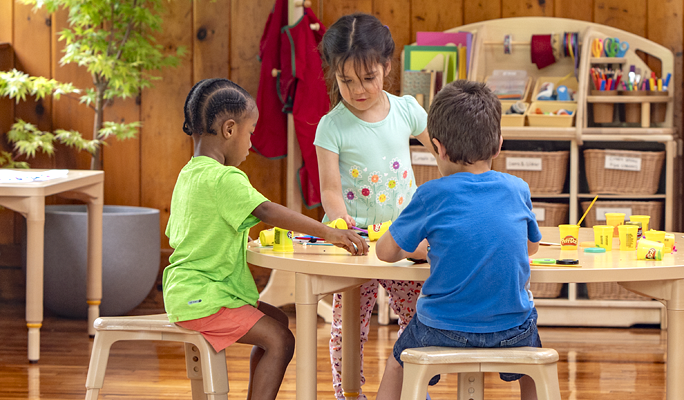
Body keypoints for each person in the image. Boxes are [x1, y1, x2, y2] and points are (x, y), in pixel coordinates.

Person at [163, 78, 368, 400]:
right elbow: (267, 211)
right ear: (229, 129)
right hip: (203, 297)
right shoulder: (224, 177)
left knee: (276, 321)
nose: (250, 143)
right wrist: (330, 232)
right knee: (280, 340)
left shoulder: (190, 172)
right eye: (251, 132)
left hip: (189, 290)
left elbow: (189, 233)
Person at [375, 80, 543, 400]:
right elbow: (530, 246)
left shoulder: (430, 194)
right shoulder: (517, 188)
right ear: (498, 145)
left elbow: (385, 252)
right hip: (512, 328)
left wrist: (427, 249)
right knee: (532, 363)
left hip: (441, 327)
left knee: (398, 363)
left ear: (437, 147)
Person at [314, 12, 433, 400]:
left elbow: (447, 150)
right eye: (345, 80)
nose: (357, 89)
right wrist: (338, 219)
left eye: (368, 78)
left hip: (404, 242)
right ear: (334, 73)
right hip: (356, 244)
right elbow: (330, 188)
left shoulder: (407, 110)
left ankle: (411, 389)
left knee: (418, 321)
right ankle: (347, 393)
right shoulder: (331, 126)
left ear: (386, 66)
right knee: (347, 328)